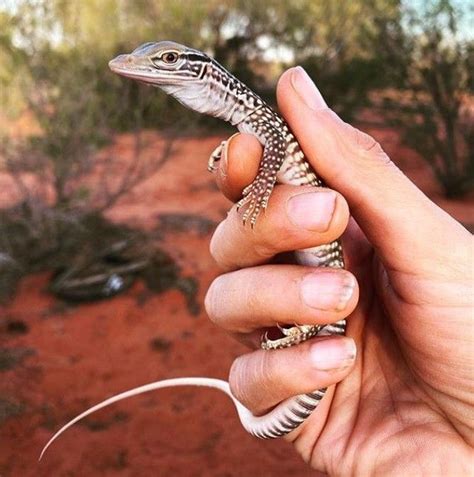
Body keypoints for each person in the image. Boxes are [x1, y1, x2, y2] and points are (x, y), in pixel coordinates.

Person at [204, 66, 473, 474]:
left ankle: (306, 331)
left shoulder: (259, 120)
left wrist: (259, 190)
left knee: (320, 300)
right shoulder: (248, 124)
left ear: (207, 74)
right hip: (332, 286)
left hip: (330, 261)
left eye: (168, 59)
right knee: (319, 295)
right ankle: (308, 331)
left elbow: (274, 142)